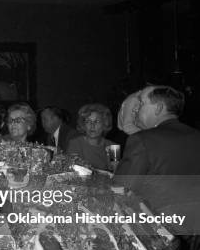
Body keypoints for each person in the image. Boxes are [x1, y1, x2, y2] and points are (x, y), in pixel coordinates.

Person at [113, 85, 200, 234]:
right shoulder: (196, 135)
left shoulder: (142, 140)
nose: (135, 110)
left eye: (141, 104)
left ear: (159, 108)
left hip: (163, 231)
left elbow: (121, 190)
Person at [65, 103, 117, 170]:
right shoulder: (75, 144)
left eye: (97, 121)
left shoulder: (113, 147)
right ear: (83, 125)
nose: (92, 125)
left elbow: (115, 174)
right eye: (88, 121)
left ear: (105, 124)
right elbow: (72, 172)